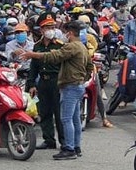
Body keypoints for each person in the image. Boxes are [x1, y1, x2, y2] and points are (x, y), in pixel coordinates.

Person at [21, 20, 92, 160]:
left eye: (65, 32)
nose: (63, 34)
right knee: (72, 118)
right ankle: (73, 146)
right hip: (71, 85)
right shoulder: (81, 47)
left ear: (70, 33)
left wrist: (32, 55)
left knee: (65, 118)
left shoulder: (70, 46)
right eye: (48, 27)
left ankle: (69, 148)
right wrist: (82, 79)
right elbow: (90, 66)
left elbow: (53, 56)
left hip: (68, 85)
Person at [25, 13, 64, 150]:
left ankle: (64, 142)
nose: (51, 29)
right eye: (48, 27)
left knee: (59, 114)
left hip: (57, 82)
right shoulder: (37, 46)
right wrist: (31, 84)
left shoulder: (60, 46)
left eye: (53, 26)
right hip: (43, 81)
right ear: (41, 30)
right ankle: (49, 140)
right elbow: (33, 67)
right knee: (44, 112)